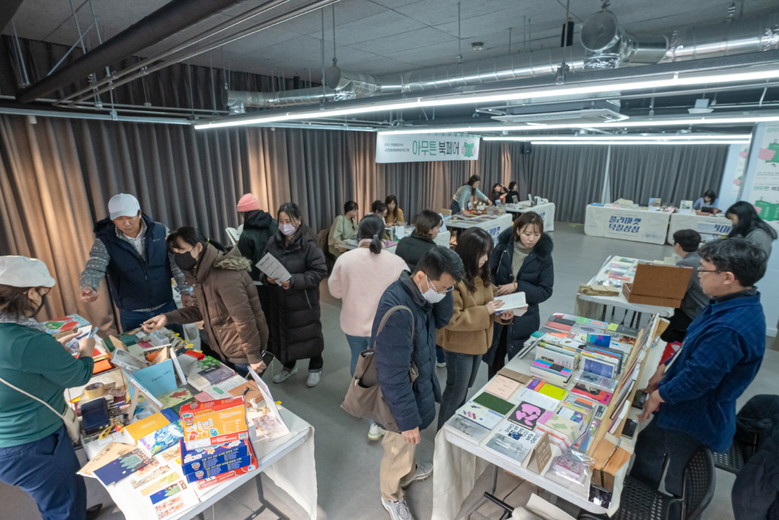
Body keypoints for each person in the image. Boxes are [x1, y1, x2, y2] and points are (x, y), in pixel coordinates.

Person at [631, 238, 768, 498]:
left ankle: (673, 508)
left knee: (680, 480)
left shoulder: (729, 328)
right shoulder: (724, 302)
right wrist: (665, 367)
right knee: (648, 446)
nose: (699, 274)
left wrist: (658, 396)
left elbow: (697, 380)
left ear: (727, 277)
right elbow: (692, 347)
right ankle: (638, 493)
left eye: (704, 269)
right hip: (679, 403)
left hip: (693, 415)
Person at [0, 256, 102, 520]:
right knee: (62, 505)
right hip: (32, 442)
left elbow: (18, 367)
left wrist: (52, 349)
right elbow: (78, 375)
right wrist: (86, 350)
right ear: (29, 293)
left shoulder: (14, 334)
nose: (41, 299)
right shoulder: (25, 340)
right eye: (42, 293)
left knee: (62, 493)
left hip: (13, 442)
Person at [374, 246, 464, 520]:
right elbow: (392, 375)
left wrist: (444, 293)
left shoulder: (421, 295)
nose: (444, 293)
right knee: (397, 447)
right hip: (399, 397)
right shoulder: (398, 310)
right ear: (422, 276)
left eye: (449, 289)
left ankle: (408, 471)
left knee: (407, 447)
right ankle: (391, 495)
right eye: (443, 288)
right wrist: (406, 421)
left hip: (418, 381)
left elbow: (442, 319)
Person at [142, 227, 269, 377]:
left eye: (182, 250)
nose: (179, 257)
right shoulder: (201, 272)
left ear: (198, 247)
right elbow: (199, 310)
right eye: (175, 253)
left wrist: (253, 356)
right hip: (226, 346)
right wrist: (166, 318)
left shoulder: (225, 276)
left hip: (242, 352)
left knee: (250, 389)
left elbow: (244, 320)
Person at [327, 216, 408, 441]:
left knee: (358, 362)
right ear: (384, 235)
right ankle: (376, 418)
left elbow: (335, 291)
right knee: (381, 368)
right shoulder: (396, 262)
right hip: (383, 327)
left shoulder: (345, 259)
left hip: (353, 323)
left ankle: (357, 401)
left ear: (358, 234)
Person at [437, 228, 513, 430]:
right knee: (455, 392)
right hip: (459, 347)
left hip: (478, 344)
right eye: (482, 253)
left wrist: (502, 314)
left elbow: (491, 300)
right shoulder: (453, 280)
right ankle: (442, 434)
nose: (486, 258)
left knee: (463, 390)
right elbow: (452, 319)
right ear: (470, 253)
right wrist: (486, 311)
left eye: (488, 253)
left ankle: (453, 428)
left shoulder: (481, 273)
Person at [79, 193, 189, 333]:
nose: (126, 223)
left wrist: (186, 291)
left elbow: (175, 263)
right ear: (112, 219)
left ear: (139, 213)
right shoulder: (105, 241)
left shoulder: (160, 231)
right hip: (132, 312)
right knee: (138, 346)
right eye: (119, 219)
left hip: (166, 306)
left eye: (130, 217)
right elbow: (94, 266)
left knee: (178, 344)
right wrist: (89, 285)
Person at [264, 203, 328, 387]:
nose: (284, 225)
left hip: (303, 300)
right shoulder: (273, 242)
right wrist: (266, 278)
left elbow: (319, 271)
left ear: (298, 221)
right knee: (285, 335)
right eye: (281, 221)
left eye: (288, 221)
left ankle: (315, 366)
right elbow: (263, 265)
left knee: (309, 333)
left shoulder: (308, 243)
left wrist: (293, 281)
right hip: (280, 299)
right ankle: (289, 366)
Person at [486, 211, 554, 378]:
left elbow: (545, 290)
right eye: (527, 233)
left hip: (525, 317)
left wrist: (518, 286)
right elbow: (488, 273)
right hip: (499, 312)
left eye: (536, 234)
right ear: (517, 231)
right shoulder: (503, 248)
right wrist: (494, 291)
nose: (531, 239)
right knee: (495, 357)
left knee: (519, 363)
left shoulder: (543, 257)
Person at [395, 210, 447, 367]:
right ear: (430, 229)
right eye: (437, 227)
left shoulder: (403, 242)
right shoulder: (432, 251)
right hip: (423, 297)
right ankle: (439, 359)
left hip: (403, 293)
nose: (439, 230)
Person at [660, 229, 708, 344]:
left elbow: (676, 292)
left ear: (677, 245)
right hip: (704, 310)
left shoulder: (686, 264)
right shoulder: (702, 258)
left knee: (661, 320)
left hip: (692, 312)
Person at [236, 193, 278, 313]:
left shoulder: (246, 234)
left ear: (245, 214)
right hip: (279, 276)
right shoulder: (276, 223)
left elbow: (244, 261)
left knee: (264, 314)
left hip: (258, 281)